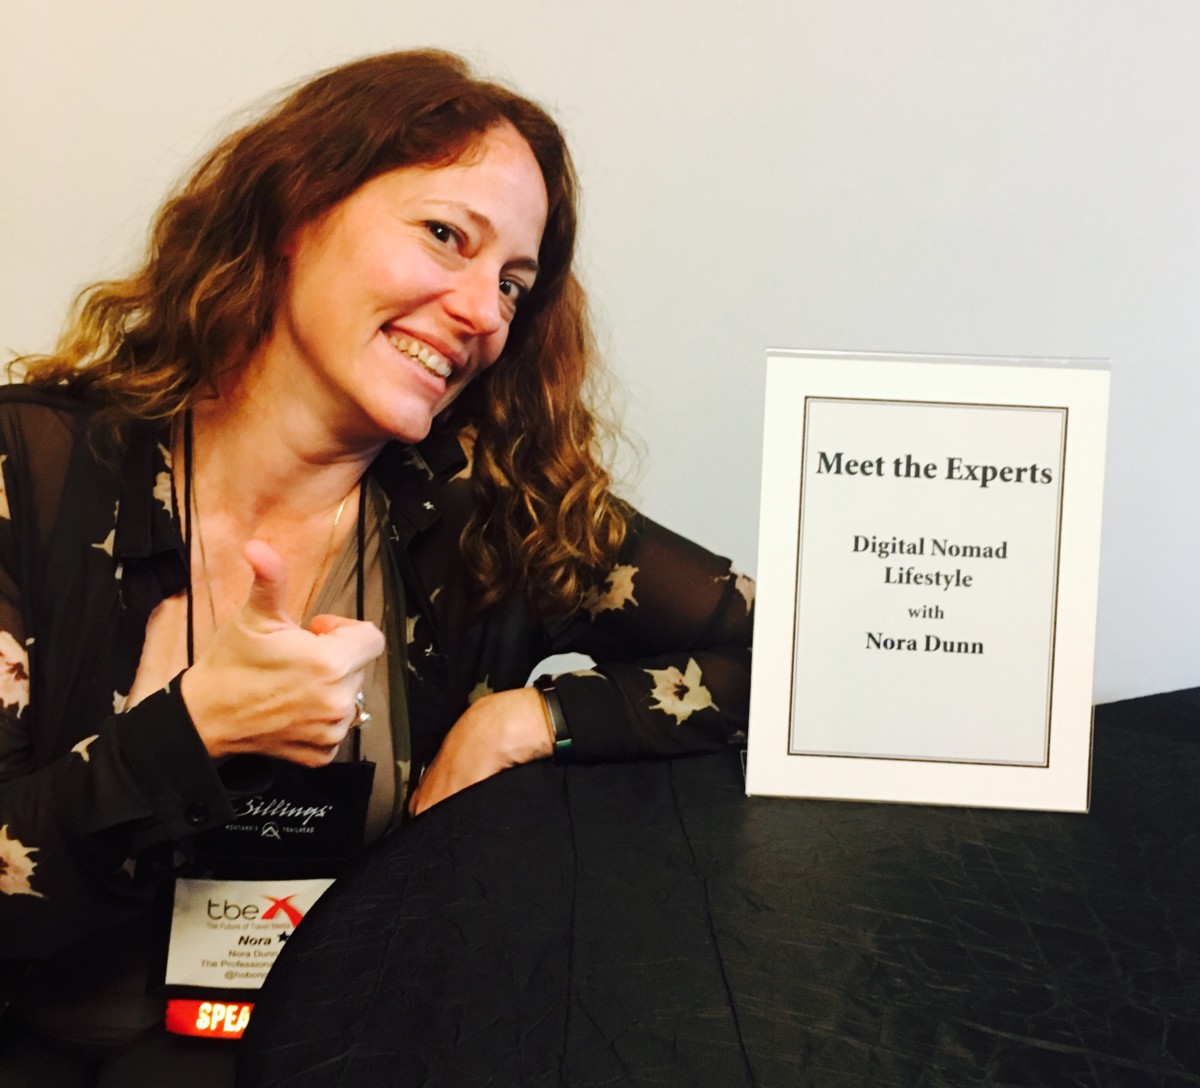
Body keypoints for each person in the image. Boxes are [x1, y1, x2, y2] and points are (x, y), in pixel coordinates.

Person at [0, 50, 753, 1084]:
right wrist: (193, 731)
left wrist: (532, 719)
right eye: (446, 235)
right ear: (294, 207)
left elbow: (803, 657)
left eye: (512, 283)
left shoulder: (491, 516)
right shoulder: (25, 473)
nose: (486, 312)